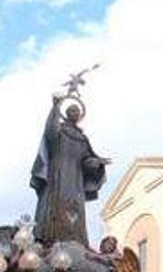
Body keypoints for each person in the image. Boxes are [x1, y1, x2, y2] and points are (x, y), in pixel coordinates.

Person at [30, 92, 108, 246]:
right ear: (66, 113)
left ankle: (76, 240)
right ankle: (49, 240)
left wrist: (96, 163)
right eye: (72, 110)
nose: (75, 113)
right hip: (57, 175)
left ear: (80, 116)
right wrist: (55, 106)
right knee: (56, 204)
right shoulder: (60, 131)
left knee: (75, 208)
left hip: (76, 181)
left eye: (77, 112)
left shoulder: (83, 138)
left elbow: (86, 160)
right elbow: (50, 132)